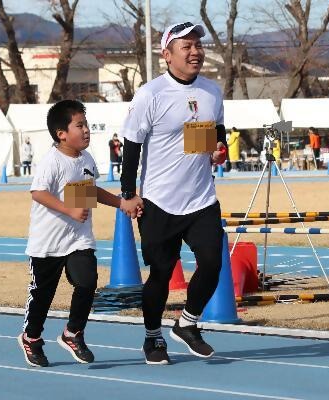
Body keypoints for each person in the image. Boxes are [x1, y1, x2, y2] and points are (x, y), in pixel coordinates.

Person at [119, 22, 228, 365]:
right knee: (162, 274)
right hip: (159, 201)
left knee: (212, 262)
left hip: (201, 199)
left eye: (198, 45)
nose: (195, 51)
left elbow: (212, 135)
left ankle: (188, 323)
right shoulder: (151, 94)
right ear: (167, 55)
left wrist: (218, 151)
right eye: (187, 46)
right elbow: (132, 146)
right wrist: (128, 193)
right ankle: (153, 337)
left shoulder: (212, 91)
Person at [18, 100, 128, 368]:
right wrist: (69, 210)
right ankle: (31, 338)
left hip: (78, 239)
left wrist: (121, 203)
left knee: (88, 281)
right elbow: (38, 193)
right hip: (48, 243)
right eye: (80, 125)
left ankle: (73, 333)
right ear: (61, 133)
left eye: (86, 124)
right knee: (43, 294)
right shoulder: (51, 162)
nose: (87, 130)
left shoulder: (86, 159)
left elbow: (89, 191)